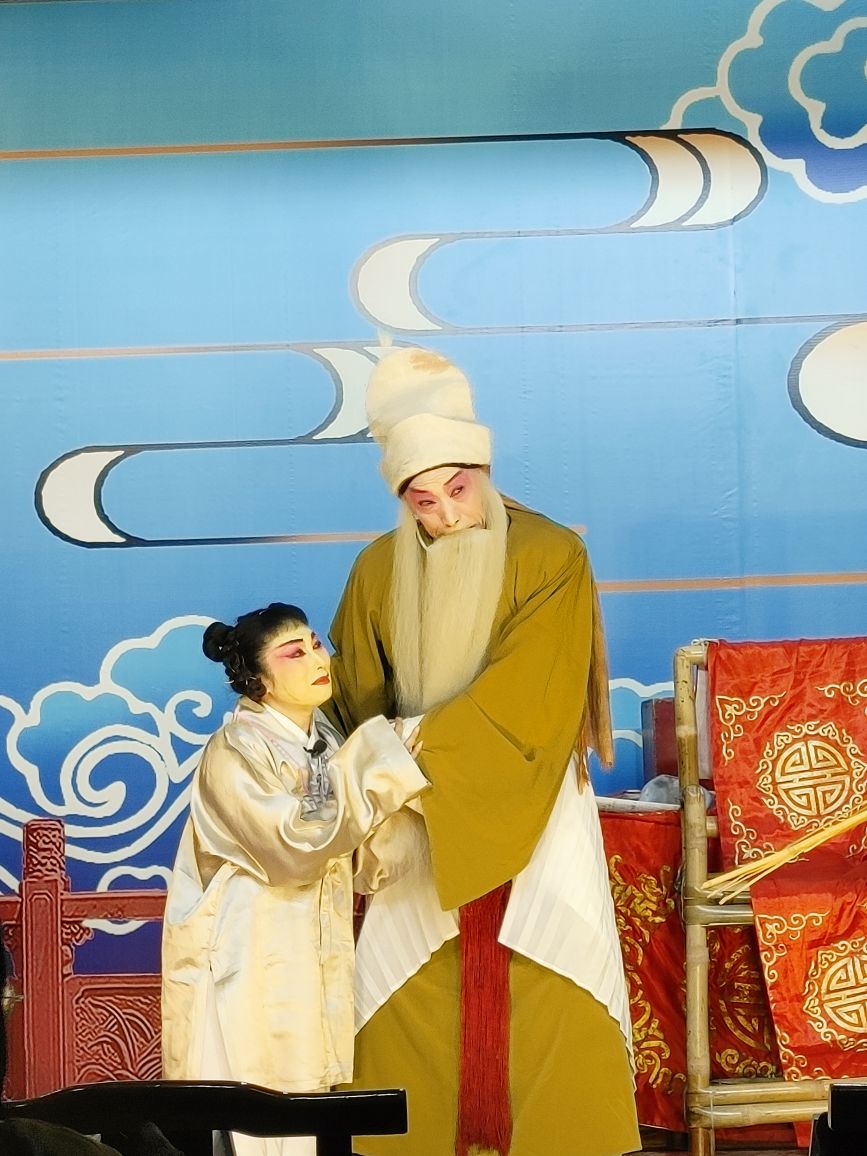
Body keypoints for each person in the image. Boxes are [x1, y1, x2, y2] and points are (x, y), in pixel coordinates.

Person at [328, 348, 640, 1156]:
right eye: (422, 500)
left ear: (484, 472)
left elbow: (530, 693)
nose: (444, 514)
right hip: (410, 817)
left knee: (551, 966)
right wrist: (354, 766)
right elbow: (352, 696)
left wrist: (402, 749)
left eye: (458, 489)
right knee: (403, 980)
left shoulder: (549, 555)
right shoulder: (375, 568)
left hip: (532, 801)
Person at [161, 602, 428, 1156]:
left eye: (315, 644)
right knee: (256, 1106)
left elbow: (356, 849)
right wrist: (383, 761)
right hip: (250, 953)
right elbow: (295, 844)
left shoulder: (322, 742)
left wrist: (406, 771)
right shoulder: (234, 751)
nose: (316, 659)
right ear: (258, 679)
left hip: (307, 953)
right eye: (293, 653)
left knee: (304, 1105)